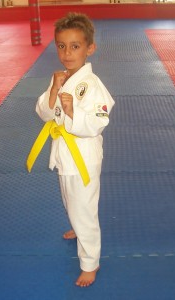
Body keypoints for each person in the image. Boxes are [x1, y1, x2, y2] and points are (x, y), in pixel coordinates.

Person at [27, 12, 115, 287]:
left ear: (90, 49)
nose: (67, 53)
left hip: (83, 157)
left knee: (84, 209)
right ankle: (77, 227)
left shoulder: (94, 85)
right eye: (61, 45)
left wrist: (72, 111)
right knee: (70, 200)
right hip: (65, 154)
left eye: (75, 46)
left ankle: (90, 262)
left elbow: (99, 123)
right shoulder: (62, 78)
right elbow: (44, 112)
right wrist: (54, 92)